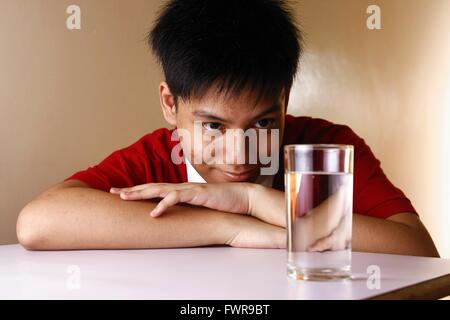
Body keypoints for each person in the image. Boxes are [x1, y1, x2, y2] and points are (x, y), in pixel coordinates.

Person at [17, 0, 439, 257]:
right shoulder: (159, 155)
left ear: (284, 101)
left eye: (263, 123)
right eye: (214, 126)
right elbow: (38, 223)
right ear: (170, 104)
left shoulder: (325, 146)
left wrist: (248, 199)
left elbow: (416, 249)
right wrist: (229, 226)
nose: (240, 155)